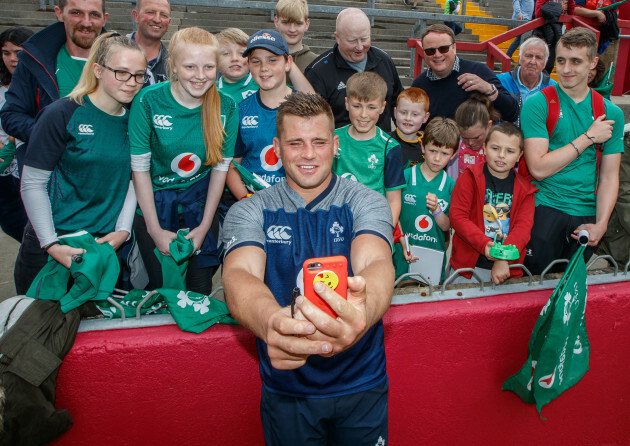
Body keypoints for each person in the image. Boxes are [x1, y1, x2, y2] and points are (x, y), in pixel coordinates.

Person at [222, 91, 394, 446]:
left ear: (335, 144)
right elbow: (240, 275)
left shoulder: (366, 201)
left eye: (318, 142)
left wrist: (363, 310)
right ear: (277, 147)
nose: (309, 154)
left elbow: (376, 262)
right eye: (296, 143)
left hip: (362, 384)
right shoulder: (249, 210)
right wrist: (272, 322)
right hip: (287, 390)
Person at [15, 33, 146, 294]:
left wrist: (122, 231)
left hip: (103, 246)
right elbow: (32, 184)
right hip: (53, 244)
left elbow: (136, 179)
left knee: (95, 332)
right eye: (122, 72)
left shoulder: (137, 120)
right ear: (97, 69)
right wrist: (51, 245)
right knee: (36, 331)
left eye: (139, 75)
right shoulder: (62, 113)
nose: (132, 83)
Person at [130, 27, 238, 294]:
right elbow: (140, 170)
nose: (200, 76)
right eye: (190, 66)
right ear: (174, 66)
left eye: (208, 67)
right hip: (154, 205)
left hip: (200, 204)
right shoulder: (148, 101)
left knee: (198, 289)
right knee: (162, 289)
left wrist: (204, 226)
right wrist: (154, 230)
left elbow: (220, 169)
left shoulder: (227, 106)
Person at [522, 27, 624, 274]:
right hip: (543, 208)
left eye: (576, 61)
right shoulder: (538, 104)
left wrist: (601, 224)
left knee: (570, 293)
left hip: (586, 215)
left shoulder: (611, 113)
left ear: (593, 63)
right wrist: (589, 137)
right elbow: (537, 168)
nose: (566, 69)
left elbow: (610, 176)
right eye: (561, 61)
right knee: (531, 287)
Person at [0, 0, 108, 168]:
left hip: (105, 175)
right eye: (76, 13)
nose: (86, 22)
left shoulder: (122, 60)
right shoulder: (34, 59)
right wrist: (51, 133)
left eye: (94, 14)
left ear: (104, 18)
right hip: (49, 172)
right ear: (59, 13)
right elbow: (11, 115)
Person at [226, 29, 313, 203]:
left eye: (272, 60)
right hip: (255, 202)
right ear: (249, 65)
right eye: (256, 62)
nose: (264, 68)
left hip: (298, 201)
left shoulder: (306, 109)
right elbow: (233, 167)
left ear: (288, 62)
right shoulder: (241, 111)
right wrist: (247, 201)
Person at [449, 123, 536, 284]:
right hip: (468, 268)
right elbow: (458, 217)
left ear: (519, 156)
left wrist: (503, 258)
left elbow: (523, 229)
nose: (501, 155)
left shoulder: (526, 190)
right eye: (495, 148)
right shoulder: (469, 178)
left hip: (507, 269)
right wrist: (484, 245)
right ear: (484, 147)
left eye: (510, 151)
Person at [305, 7, 403, 130]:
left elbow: (398, 104)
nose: (360, 47)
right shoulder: (318, 72)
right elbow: (312, 121)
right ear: (337, 37)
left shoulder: (384, 60)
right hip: (341, 146)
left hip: (382, 145)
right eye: (352, 41)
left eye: (364, 39)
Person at [333, 71, 405, 226]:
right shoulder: (332, 139)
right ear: (347, 103)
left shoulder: (390, 147)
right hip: (334, 222)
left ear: (382, 107)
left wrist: (385, 232)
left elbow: (393, 200)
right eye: (357, 106)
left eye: (371, 107)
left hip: (371, 223)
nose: (363, 114)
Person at [411, 24, 518, 124]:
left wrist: (489, 90)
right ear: (424, 53)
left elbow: (512, 113)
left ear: (454, 48)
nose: (437, 55)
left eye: (443, 49)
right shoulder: (419, 85)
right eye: (430, 51)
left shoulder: (479, 71)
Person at [394, 117, 459, 281]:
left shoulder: (452, 186)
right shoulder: (405, 176)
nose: (437, 158)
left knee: (430, 302)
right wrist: (402, 242)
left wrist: (437, 211)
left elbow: (447, 226)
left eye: (444, 153)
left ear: (453, 155)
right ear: (422, 146)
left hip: (432, 258)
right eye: (433, 151)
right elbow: (393, 214)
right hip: (403, 253)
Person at [0, 27, 33, 242]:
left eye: (18, 52)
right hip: (4, 174)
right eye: (6, 53)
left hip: (29, 167)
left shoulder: (40, 83)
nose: (13, 59)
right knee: (12, 223)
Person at [497, 36, 557, 127]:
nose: (533, 61)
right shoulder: (499, 82)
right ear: (520, 58)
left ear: (545, 63)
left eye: (538, 57)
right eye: (528, 56)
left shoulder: (554, 89)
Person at [447, 93, 500, 181]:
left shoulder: (499, 146)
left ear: (489, 125)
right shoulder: (455, 143)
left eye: (476, 137)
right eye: (465, 138)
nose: (470, 143)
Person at [129, 0, 171, 86]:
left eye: (163, 15)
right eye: (150, 12)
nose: (157, 19)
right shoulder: (111, 53)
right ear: (136, 16)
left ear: (169, 22)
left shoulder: (172, 65)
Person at [390, 87, 431, 168]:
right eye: (403, 112)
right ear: (395, 112)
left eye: (415, 114)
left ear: (425, 117)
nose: (408, 118)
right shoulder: (384, 141)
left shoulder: (428, 147)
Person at [216, 28, 258, 105]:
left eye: (242, 53)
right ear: (216, 62)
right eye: (226, 53)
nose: (234, 58)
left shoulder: (262, 85)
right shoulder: (210, 91)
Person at [274, 0, 318, 74]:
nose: (292, 29)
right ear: (276, 22)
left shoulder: (316, 62)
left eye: (298, 23)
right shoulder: (266, 58)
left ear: (307, 24)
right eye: (286, 23)